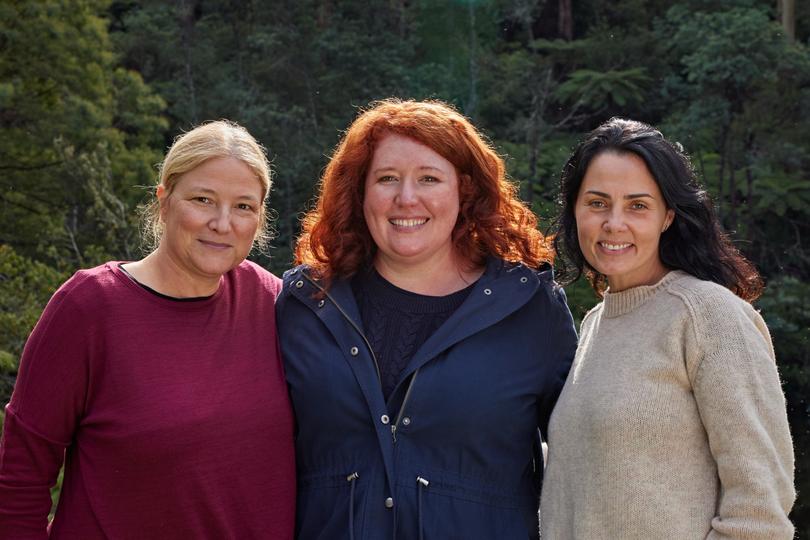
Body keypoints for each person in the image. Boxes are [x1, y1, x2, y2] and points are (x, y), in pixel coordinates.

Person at [276, 98, 577, 539]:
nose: (406, 198)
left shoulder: (531, 308)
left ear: (466, 192)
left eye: (429, 178)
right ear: (360, 192)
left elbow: (590, 457)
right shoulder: (306, 304)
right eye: (387, 179)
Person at [0, 121, 296, 539]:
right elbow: (19, 481)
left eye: (243, 206)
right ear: (164, 201)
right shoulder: (90, 307)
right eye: (202, 199)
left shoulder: (276, 304)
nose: (222, 223)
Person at [541, 118, 795, 539]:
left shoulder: (708, 315)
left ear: (667, 217)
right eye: (597, 203)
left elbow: (760, 512)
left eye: (637, 205)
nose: (614, 223)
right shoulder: (593, 325)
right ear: (575, 211)